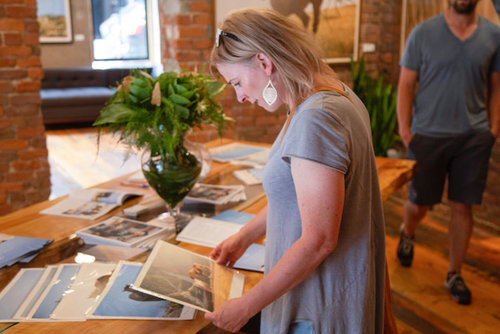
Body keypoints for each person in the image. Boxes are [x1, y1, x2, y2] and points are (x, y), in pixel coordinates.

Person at [205, 8, 386, 333]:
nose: (241, 96)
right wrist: (245, 237)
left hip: (317, 303)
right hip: (321, 292)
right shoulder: (330, 92)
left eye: (237, 82)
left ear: (263, 62)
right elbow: (297, 196)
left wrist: (246, 307)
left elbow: (318, 241)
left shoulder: (316, 118)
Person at [396, 0, 500, 305]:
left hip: (473, 137)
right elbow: (405, 85)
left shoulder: (493, 35)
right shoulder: (422, 33)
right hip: (428, 136)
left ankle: (454, 273)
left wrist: (493, 129)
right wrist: (406, 131)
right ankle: (407, 232)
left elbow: (497, 86)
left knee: (462, 207)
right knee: (419, 203)